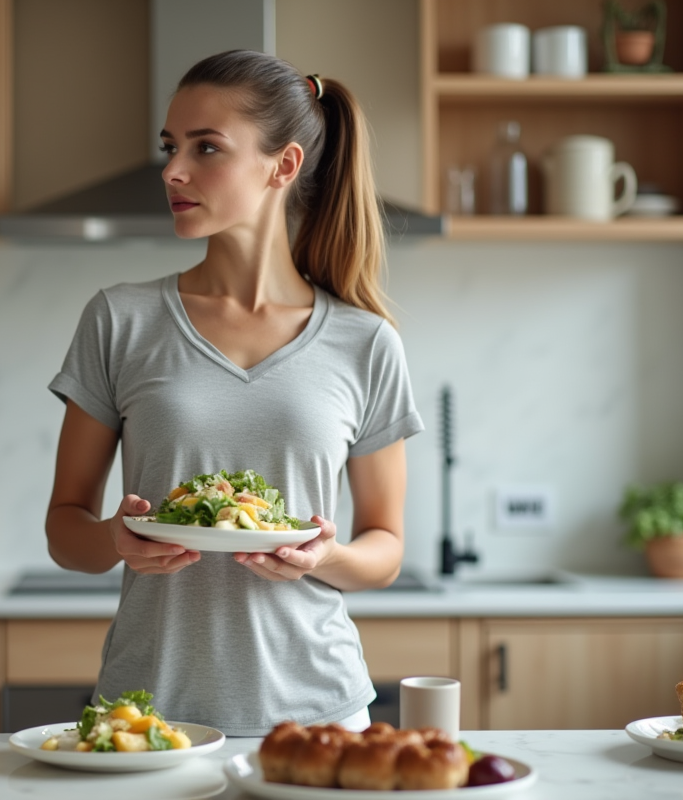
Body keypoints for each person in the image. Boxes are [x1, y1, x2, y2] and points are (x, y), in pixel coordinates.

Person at [45, 49, 423, 737]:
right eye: (171, 147)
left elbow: (386, 546)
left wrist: (327, 556)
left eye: (206, 147)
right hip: (147, 717)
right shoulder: (120, 320)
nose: (173, 170)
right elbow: (65, 529)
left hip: (319, 715)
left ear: (283, 165)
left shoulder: (365, 342)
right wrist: (116, 539)